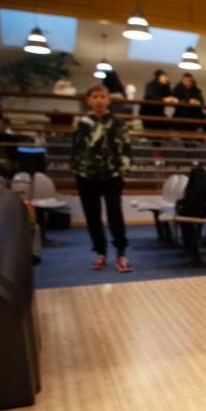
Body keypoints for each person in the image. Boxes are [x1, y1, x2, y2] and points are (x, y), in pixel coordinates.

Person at [71, 85, 133, 273]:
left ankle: (121, 253)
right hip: (86, 176)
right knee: (92, 216)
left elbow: (126, 149)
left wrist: (123, 170)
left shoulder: (117, 123)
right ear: (88, 100)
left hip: (112, 176)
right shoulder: (81, 123)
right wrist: (77, 170)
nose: (98, 100)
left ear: (108, 100)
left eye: (102, 97)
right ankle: (100, 253)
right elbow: (76, 149)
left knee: (115, 214)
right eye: (95, 97)